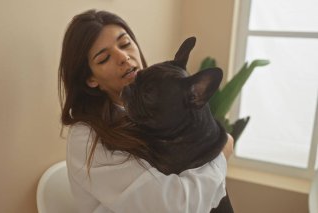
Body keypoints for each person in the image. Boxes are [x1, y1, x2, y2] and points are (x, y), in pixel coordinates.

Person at [58, 9, 234, 213]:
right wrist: (220, 157)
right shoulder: (87, 138)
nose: (123, 57)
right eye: (104, 58)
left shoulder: (154, 116)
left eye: (125, 44)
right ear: (91, 79)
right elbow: (171, 207)